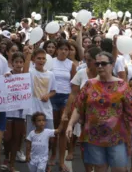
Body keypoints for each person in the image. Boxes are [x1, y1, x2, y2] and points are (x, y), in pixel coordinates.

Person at [66, 52, 132, 171]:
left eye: (103, 63)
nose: (100, 66)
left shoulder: (122, 85)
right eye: (97, 64)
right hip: (94, 136)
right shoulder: (89, 84)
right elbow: (78, 106)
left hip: (117, 137)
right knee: (99, 169)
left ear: (112, 65)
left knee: (119, 169)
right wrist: (70, 124)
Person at [62, 47, 102, 172]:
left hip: (102, 117)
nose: (87, 62)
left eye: (89, 60)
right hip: (84, 117)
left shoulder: (105, 74)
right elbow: (73, 94)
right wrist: (66, 112)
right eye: (85, 59)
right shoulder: (81, 73)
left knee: (99, 146)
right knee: (86, 146)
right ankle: (88, 170)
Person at [50, 40, 76, 172]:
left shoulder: (71, 64)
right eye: (62, 49)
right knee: (53, 129)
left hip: (66, 98)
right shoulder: (51, 62)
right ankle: (52, 155)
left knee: (63, 130)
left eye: (66, 49)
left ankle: (61, 161)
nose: (64, 51)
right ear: (57, 50)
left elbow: (74, 85)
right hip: (52, 97)